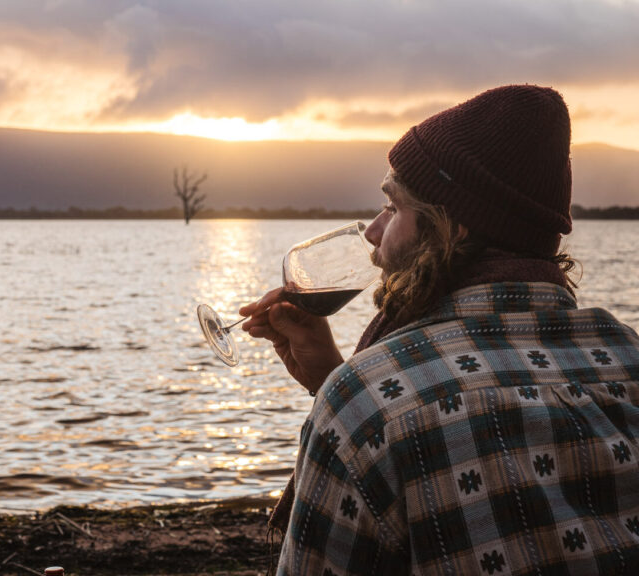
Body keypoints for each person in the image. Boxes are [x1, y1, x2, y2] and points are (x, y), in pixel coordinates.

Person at [240, 85, 639, 574]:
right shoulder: (627, 354)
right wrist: (331, 381)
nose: (372, 232)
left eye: (394, 205)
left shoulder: (366, 408)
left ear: (453, 228)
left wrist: (345, 401)